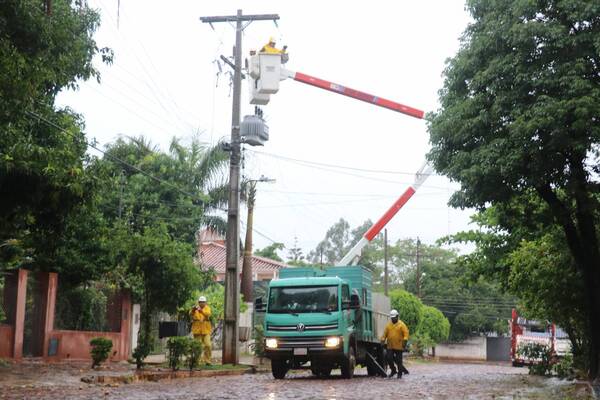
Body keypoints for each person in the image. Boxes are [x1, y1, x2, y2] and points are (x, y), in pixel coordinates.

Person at [381, 309, 410, 378]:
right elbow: (384, 334)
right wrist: (382, 340)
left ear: (397, 316)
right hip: (390, 346)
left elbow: (406, 334)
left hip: (399, 346)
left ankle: (399, 373)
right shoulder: (388, 326)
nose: (393, 319)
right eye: (392, 318)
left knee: (399, 361)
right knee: (389, 358)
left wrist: (405, 341)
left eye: (394, 317)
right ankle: (393, 370)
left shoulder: (402, 325)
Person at [190, 296, 212, 365]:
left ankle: (207, 361)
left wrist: (201, 311)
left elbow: (207, 314)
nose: (202, 303)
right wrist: (193, 310)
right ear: (198, 302)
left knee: (208, 345)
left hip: (206, 330)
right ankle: (197, 361)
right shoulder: (195, 308)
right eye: (200, 302)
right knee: (197, 346)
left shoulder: (207, 308)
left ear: (205, 303)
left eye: (203, 302)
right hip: (197, 330)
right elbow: (190, 314)